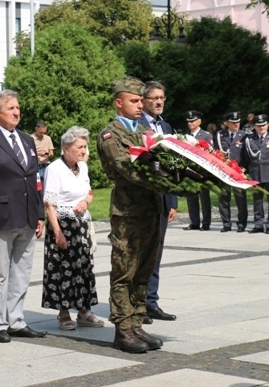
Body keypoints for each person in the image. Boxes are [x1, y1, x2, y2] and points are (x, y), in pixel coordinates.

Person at [0, 89, 47, 344]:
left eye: (17, 108)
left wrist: (39, 214)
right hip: (0, 218)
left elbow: (35, 178)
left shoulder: (26, 139)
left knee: (22, 272)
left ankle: (16, 320)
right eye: (11, 108)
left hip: (26, 216)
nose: (16, 112)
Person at [96, 76, 165, 354]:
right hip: (128, 213)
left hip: (151, 209)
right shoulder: (111, 135)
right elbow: (129, 169)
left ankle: (136, 323)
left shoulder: (142, 131)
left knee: (144, 270)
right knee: (125, 271)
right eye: (134, 101)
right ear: (118, 102)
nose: (140, 105)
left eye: (141, 101)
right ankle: (123, 329)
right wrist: (165, 178)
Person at [42, 126, 103, 330]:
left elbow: (90, 192)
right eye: (80, 147)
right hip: (63, 224)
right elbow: (49, 203)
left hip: (82, 224)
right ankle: (64, 312)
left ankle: (85, 311)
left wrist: (86, 202)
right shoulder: (54, 169)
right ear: (66, 147)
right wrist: (57, 233)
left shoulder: (82, 167)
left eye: (85, 147)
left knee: (85, 267)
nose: (84, 151)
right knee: (64, 269)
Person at [137, 81, 177, 325]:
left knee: (157, 252)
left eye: (162, 97)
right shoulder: (136, 125)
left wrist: (171, 200)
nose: (159, 102)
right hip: (143, 199)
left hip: (162, 199)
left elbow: (172, 165)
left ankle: (151, 301)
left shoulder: (165, 125)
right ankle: (138, 303)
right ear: (144, 101)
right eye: (154, 98)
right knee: (142, 253)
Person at [241, 114, 269, 234]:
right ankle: (258, 225)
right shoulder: (249, 139)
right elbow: (245, 157)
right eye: (258, 125)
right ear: (254, 126)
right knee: (257, 201)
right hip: (256, 173)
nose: (261, 127)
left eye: (263, 125)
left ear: (267, 125)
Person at [214, 112, 248, 233]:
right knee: (223, 198)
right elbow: (216, 152)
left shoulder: (244, 135)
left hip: (238, 171)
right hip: (224, 171)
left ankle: (242, 223)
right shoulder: (220, 135)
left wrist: (244, 169)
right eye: (233, 122)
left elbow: (246, 155)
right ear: (227, 123)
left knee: (240, 198)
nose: (236, 124)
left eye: (238, 122)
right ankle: (226, 223)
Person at [184, 110, 213, 231]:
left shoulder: (206, 135)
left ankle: (206, 222)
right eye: (188, 121)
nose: (190, 123)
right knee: (191, 197)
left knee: (204, 197)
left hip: (202, 170)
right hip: (189, 170)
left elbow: (211, 153)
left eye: (193, 121)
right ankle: (194, 222)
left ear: (199, 122)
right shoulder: (185, 136)